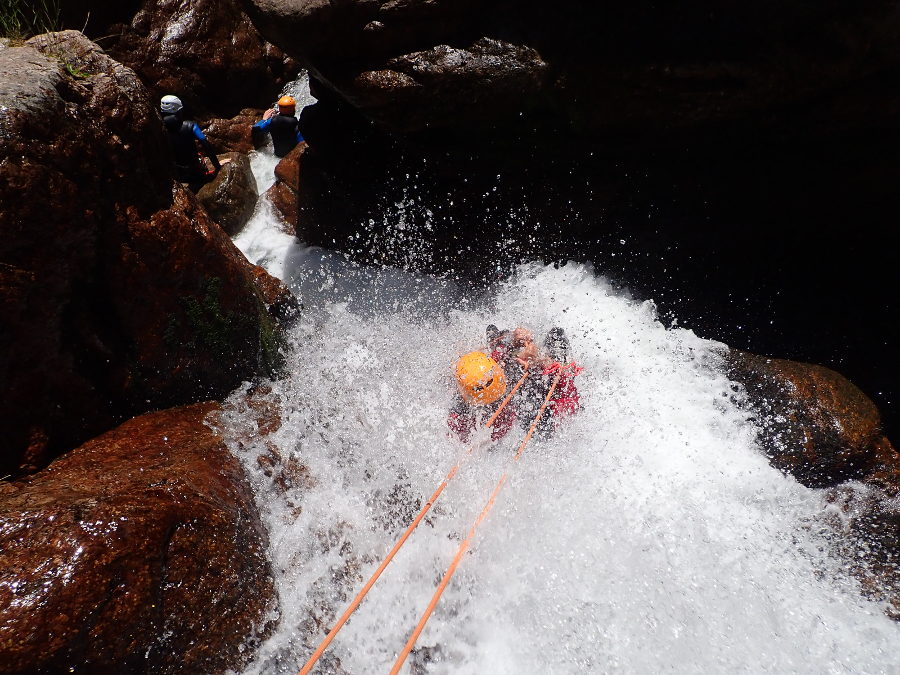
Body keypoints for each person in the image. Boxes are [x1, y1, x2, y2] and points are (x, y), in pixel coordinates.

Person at [448, 325, 581, 443]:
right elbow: (564, 386)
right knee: (556, 335)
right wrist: (539, 363)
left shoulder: (462, 403)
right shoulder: (497, 413)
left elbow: (499, 354)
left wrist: (512, 340)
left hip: (511, 417)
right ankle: (558, 359)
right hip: (541, 422)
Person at [159, 95, 221, 191]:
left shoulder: (159, 128)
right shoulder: (191, 126)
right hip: (194, 173)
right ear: (179, 111)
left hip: (176, 174)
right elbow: (206, 145)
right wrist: (218, 167)